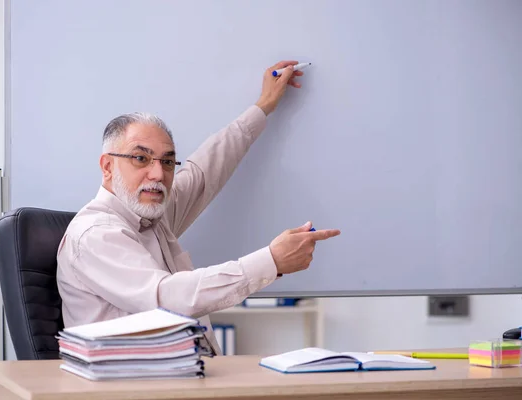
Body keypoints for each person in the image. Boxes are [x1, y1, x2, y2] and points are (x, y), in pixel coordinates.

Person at [56, 61, 341, 354]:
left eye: (167, 161)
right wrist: (271, 260)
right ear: (107, 167)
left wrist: (264, 105)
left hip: (182, 378)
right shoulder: (95, 235)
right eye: (140, 159)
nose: (158, 174)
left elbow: (207, 168)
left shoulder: (151, 214)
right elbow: (165, 297)